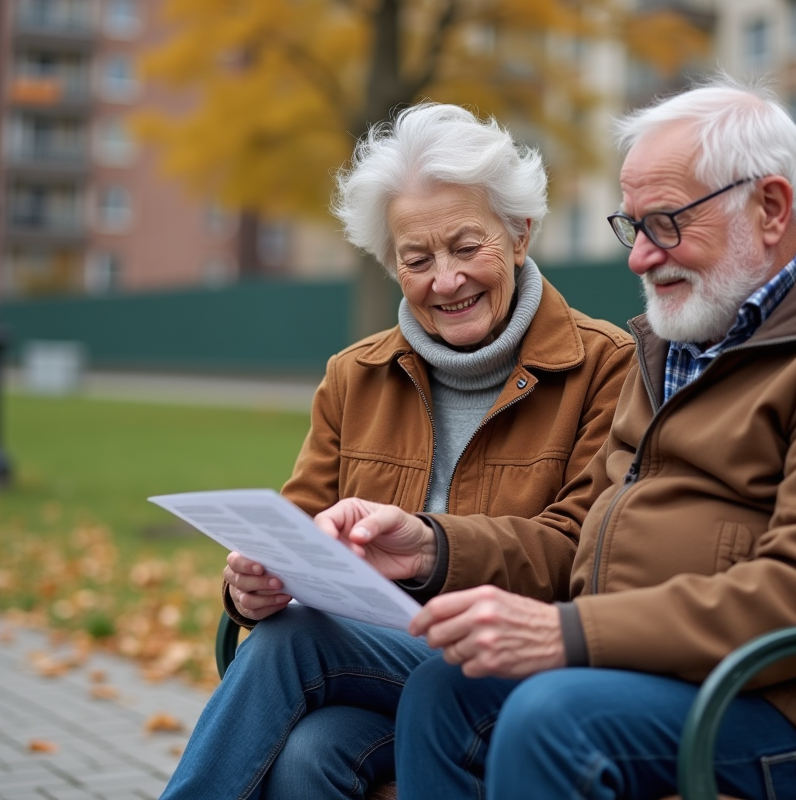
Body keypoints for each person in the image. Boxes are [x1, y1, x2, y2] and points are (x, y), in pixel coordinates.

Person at [316, 77, 796, 800]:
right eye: (632, 226)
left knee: (554, 718)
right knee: (446, 691)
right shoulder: (682, 337)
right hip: (671, 676)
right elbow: (586, 544)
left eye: (666, 223)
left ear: (768, 207)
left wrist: (574, 635)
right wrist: (432, 547)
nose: (640, 256)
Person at [158, 103, 635, 799]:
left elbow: (580, 555)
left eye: (467, 247)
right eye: (417, 259)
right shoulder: (355, 374)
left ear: (520, 235)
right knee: (308, 755)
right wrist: (250, 587)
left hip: (521, 671)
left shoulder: (607, 366)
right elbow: (292, 530)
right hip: (385, 670)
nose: (445, 281)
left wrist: (433, 546)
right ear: (392, 264)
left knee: (297, 642)